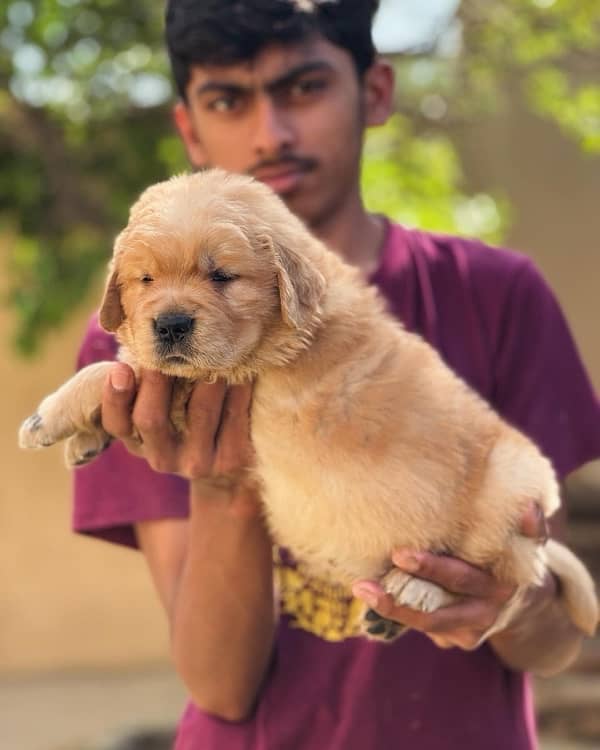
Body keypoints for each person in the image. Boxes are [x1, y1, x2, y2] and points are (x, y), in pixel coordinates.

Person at [73, 1, 600, 748]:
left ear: (376, 91)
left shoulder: (495, 294)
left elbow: (554, 646)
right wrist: (222, 488)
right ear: (189, 127)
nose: (270, 134)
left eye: (304, 88)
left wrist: (508, 599)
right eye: (228, 99)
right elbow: (218, 684)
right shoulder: (146, 343)